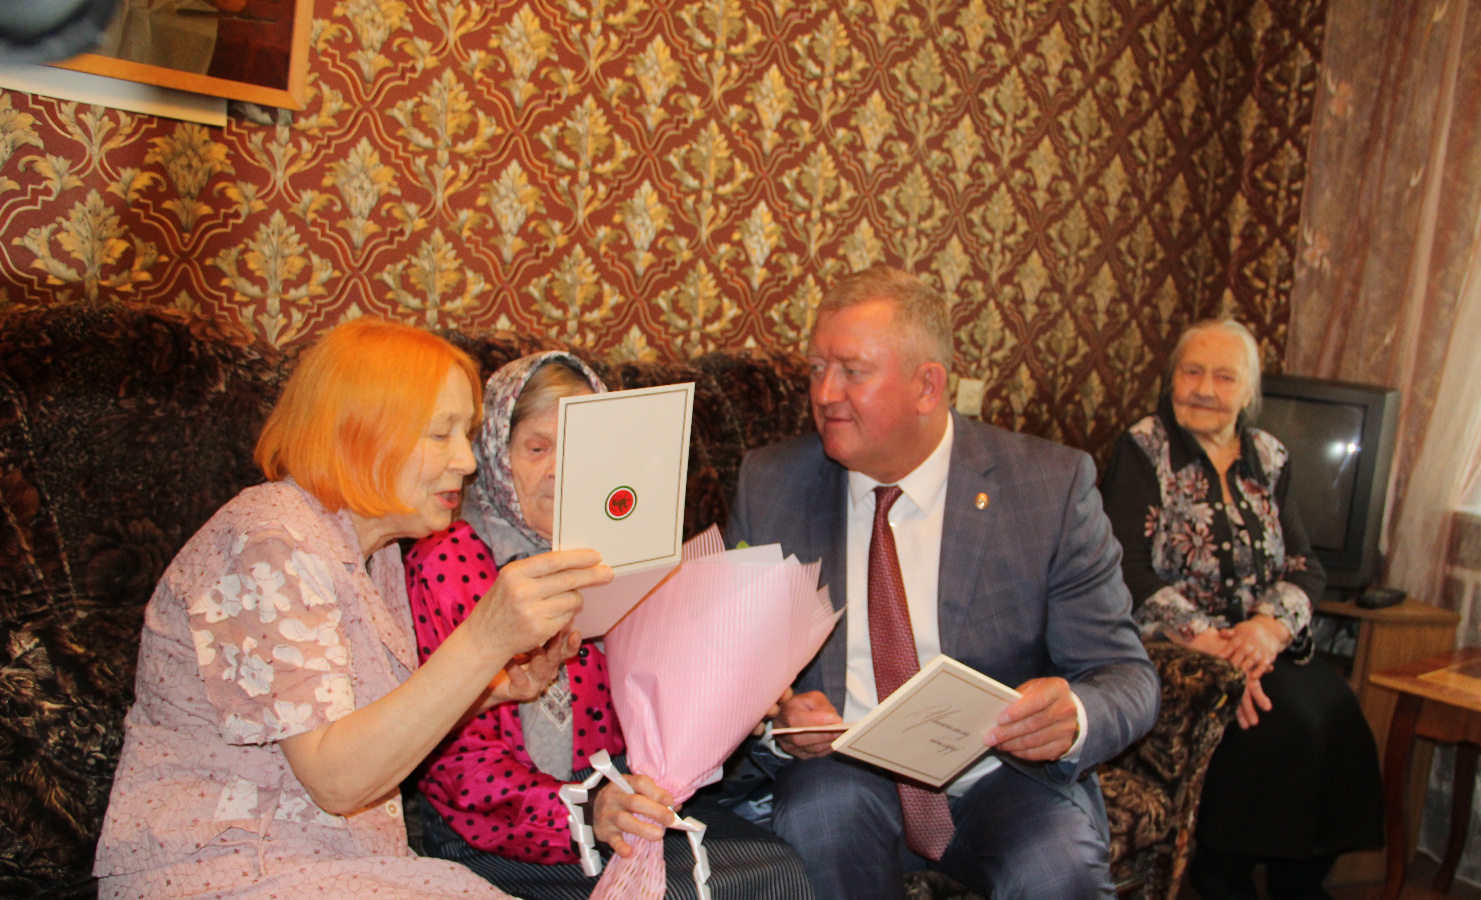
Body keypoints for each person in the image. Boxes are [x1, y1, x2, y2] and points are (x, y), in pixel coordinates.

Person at [92, 320, 612, 899]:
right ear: (361, 433)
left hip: (338, 862)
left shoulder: (374, 554)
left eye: (465, 434)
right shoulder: (268, 540)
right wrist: (484, 639)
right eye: (440, 435)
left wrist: (491, 689)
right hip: (225, 867)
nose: (467, 461)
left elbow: (369, 731)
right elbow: (337, 781)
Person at [723, 265, 1161, 900]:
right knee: (820, 814)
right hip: (843, 774)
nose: (824, 393)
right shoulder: (771, 486)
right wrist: (781, 724)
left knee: (1056, 868)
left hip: (1002, 775)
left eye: (852, 371)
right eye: (816, 368)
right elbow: (731, 670)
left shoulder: (1048, 488)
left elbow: (1128, 676)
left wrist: (1074, 715)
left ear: (927, 386)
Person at [406, 352, 815, 900]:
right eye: (537, 448)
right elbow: (452, 760)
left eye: (582, 448)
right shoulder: (449, 561)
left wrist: (744, 696)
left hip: (628, 798)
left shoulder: (629, 545)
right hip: (495, 827)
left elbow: (667, 712)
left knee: (779, 870)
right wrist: (587, 809)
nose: (561, 470)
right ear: (496, 455)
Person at [1097, 319, 1384, 900]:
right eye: (1192, 372)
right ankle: (1222, 874)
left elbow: (1305, 565)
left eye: (1224, 377)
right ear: (1172, 379)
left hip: (1258, 643)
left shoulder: (1270, 457)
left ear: (1249, 391)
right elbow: (1126, 570)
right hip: (1175, 644)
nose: (1204, 389)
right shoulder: (1144, 448)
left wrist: (1267, 631)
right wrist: (1216, 647)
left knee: (1335, 711)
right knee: (1276, 723)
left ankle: (1300, 882)